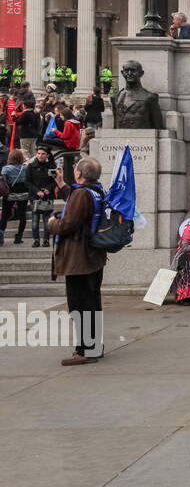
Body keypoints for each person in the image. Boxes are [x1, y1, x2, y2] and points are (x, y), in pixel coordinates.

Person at [46, 157, 107, 366]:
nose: (73, 171)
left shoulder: (82, 194)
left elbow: (69, 223)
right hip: (92, 256)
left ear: (80, 174)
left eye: (75, 169)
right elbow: (77, 205)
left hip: (79, 259)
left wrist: (53, 224)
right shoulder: (95, 190)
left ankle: (86, 350)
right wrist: (62, 185)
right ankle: (94, 346)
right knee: (92, 302)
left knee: (79, 305)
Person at [25, 145, 56, 247]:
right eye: (38, 153)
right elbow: (27, 182)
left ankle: (46, 239)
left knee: (47, 220)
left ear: (47, 155)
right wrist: (37, 191)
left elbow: (55, 181)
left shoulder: (52, 166)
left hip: (47, 197)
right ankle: (36, 240)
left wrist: (48, 189)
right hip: (35, 197)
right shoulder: (30, 166)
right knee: (35, 220)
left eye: (43, 154)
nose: (40, 155)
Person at [0, 150, 29, 245]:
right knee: (22, 216)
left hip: (9, 195)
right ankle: (19, 237)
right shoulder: (26, 168)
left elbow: (3, 182)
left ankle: (1, 234)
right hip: (23, 194)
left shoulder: (6, 169)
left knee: (4, 215)